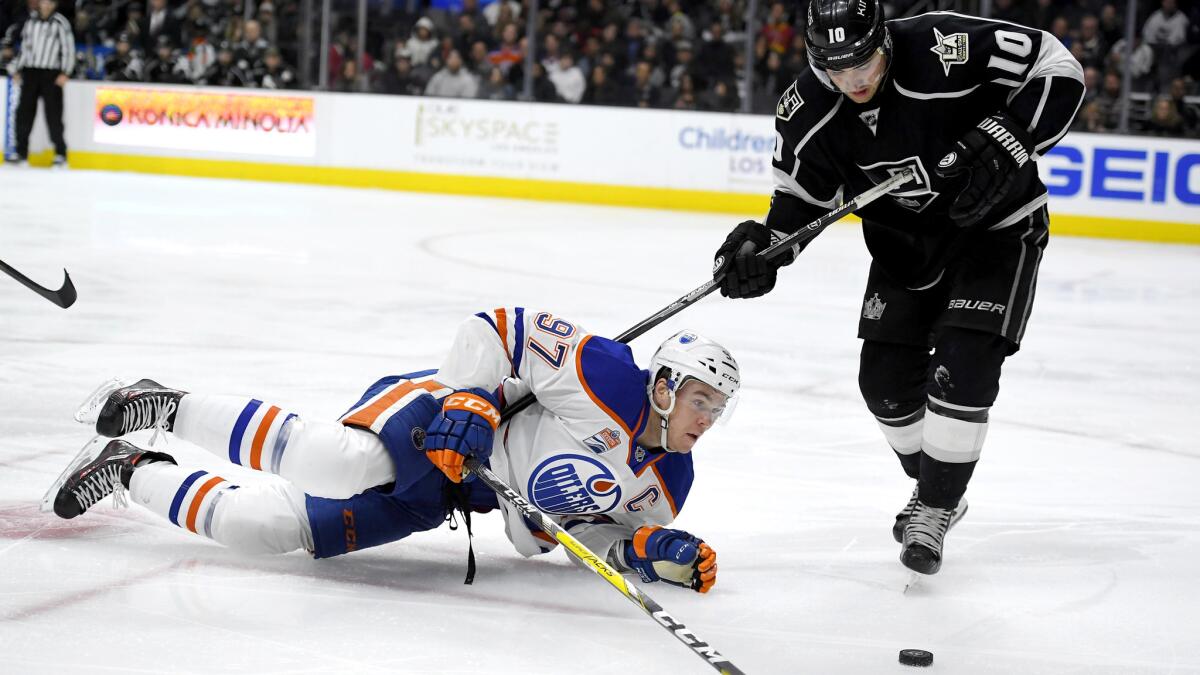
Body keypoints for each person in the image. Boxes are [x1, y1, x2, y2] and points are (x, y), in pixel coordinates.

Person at [713, 0, 1083, 576]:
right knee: (883, 384)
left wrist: (1012, 135)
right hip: (903, 246)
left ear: (884, 38)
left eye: (864, 62)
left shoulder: (943, 44)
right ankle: (940, 486)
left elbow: (1057, 67)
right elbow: (802, 199)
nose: (853, 80)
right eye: (836, 68)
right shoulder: (806, 106)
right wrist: (766, 246)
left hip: (997, 231)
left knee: (965, 363)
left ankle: (933, 508)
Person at [50, 310, 737, 594]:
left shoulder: (669, 483)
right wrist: (473, 400)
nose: (707, 417)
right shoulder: (606, 373)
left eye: (718, 407)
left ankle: (127, 469)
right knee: (340, 461)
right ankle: (163, 403)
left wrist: (644, 551)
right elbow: (494, 328)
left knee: (262, 530)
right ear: (668, 384)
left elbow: (566, 535)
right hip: (445, 419)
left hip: (454, 490)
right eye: (701, 398)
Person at [8, 0, 73, 167]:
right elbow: (25, 48)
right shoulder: (30, 21)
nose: (46, 5)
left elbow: (67, 49)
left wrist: (66, 72)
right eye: (44, 1)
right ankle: (21, 152)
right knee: (24, 113)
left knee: (54, 115)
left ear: (54, 4)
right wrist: (17, 68)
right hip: (30, 72)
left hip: (51, 74)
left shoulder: (60, 22)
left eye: (49, 2)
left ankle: (60, 153)